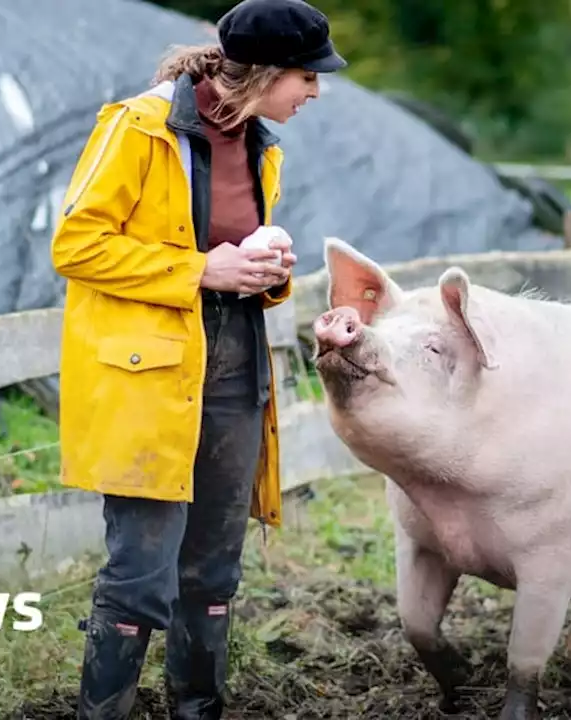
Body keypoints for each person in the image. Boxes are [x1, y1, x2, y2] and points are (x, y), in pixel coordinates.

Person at [48, 0, 347, 718]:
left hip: (236, 363)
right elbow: (76, 245)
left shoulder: (261, 144)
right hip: (149, 376)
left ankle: (197, 708)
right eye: (308, 76)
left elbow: (227, 252)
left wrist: (266, 270)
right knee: (140, 572)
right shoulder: (138, 126)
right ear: (270, 72)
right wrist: (200, 272)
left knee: (213, 569)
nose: (315, 92)